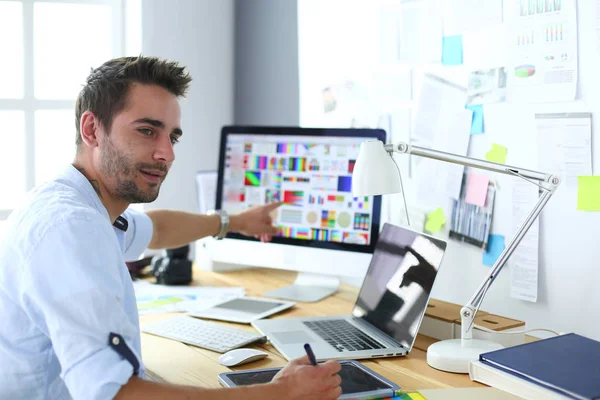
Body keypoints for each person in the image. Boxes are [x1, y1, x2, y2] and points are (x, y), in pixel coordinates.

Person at [0, 56, 342, 400]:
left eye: (172, 137)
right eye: (147, 131)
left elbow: (156, 229)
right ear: (91, 130)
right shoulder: (71, 228)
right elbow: (112, 394)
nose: (167, 154)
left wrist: (234, 222)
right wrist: (279, 394)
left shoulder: (79, 202)